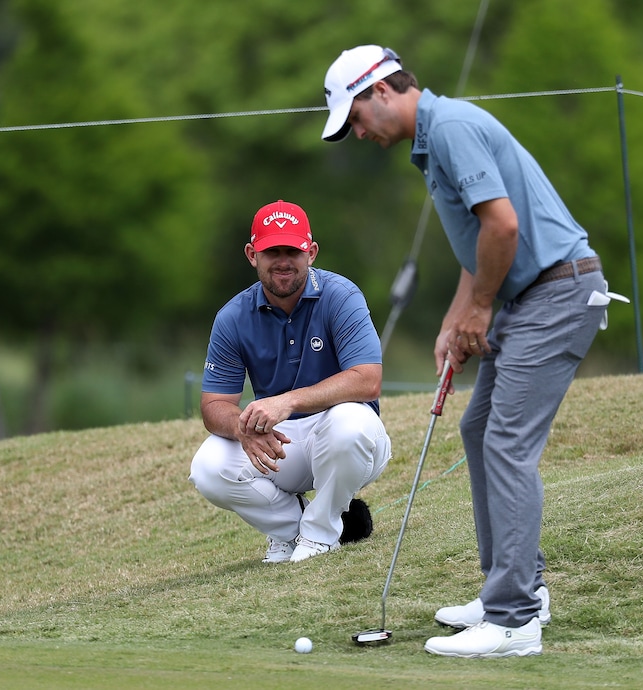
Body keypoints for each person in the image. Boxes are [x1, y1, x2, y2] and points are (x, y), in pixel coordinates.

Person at [321, 45, 614, 657]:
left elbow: (504, 227)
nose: (357, 133)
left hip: (556, 292)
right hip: (535, 294)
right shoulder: (433, 141)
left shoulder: (449, 128)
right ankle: (516, 586)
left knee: (506, 442)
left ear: (380, 91)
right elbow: (481, 243)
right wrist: (458, 318)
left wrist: (480, 310)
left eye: (355, 118)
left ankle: (513, 622)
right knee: (480, 430)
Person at [188, 199, 391, 564]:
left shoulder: (341, 296)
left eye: (293, 250)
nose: (283, 260)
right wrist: (241, 427)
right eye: (271, 251)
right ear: (252, 254)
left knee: (348, 423)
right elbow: (213, 405)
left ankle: (319, 535)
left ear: (310, 252)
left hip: (349, 436)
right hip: (281, 442)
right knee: (208, 467)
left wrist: (288, 401)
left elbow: (368, 380)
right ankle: (293, 531)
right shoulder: (232, 316)